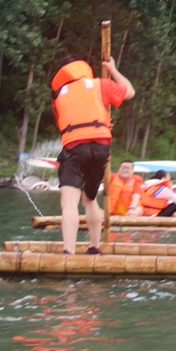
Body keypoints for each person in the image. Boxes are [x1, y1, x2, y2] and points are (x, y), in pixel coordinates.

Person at [50, 54, 135, 255]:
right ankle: (94, 247)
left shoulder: (59, 95)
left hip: (75, 146)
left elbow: (65, 123)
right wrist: (113, 70)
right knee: (89, 199)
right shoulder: (100, 84)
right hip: (101, 146)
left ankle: (68, 251)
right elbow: (130, 92)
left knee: (69, 202)